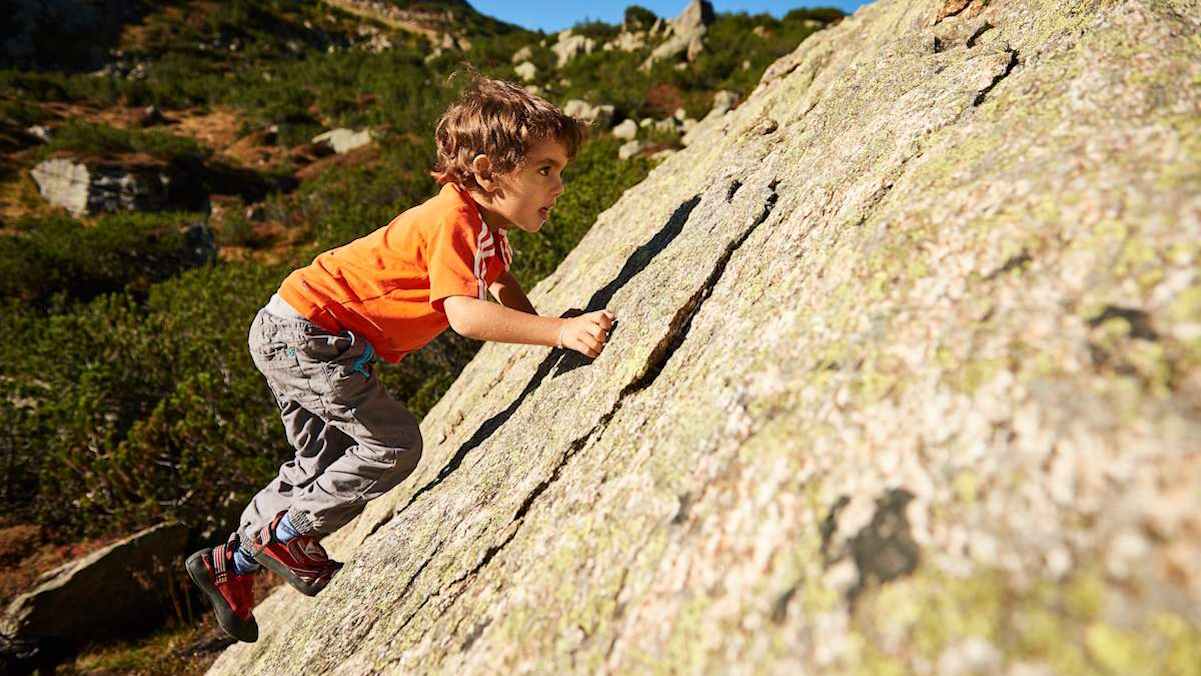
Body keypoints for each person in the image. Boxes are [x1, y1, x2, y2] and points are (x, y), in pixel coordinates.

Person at [185, 74, 616, 643]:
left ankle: (230, 565)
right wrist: (560, 332)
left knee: (323, 462)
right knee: (392, 446)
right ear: (486, 171)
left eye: (560, 169)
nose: (559, 184)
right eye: (545, 169)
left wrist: (541, 330)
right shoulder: (454, 220)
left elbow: (502, 283)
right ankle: (286, 533)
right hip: (308, 334)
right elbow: (466, 315)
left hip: (296, 327)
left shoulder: (486, 229)